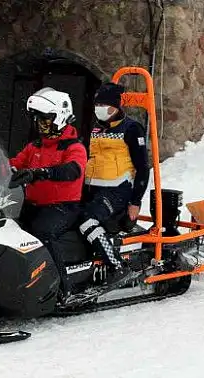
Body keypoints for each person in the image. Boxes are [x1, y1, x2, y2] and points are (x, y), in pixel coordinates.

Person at [8, 87, 87, 297]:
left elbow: (73, 170)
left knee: (42, 233)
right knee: (5, 227)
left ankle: (61, 287)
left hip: (62, 207)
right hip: (32, 205)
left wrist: (40, 173)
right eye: (38, 119)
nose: (41, 124)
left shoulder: (74, 147)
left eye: (46, 118)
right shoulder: (34, 146)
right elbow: (14, 163)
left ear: (60, 117)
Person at [78, 82, 150, 287]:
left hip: (118, 192)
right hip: (94, 189)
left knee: (88, 221)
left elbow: (143, 168)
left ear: (117, 107)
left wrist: (135, 201)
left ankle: (117, 266)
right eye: (97, 105)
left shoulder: (131, 129)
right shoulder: (96, 129)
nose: (100, 110)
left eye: (106, 106)